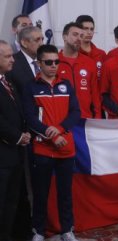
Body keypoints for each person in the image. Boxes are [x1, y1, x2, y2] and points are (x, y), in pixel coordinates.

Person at [23, 44, 81, 241]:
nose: (54, 65)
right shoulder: (31, 86)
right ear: (39, 64)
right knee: (41, 194)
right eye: (48, 62)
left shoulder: (66, 85)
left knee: (65, 193)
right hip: (43, 148)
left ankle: (67, 230)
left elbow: (75, 113)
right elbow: (30, 118)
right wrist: (52, 135)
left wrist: (61, 129)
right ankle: (39, 231)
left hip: (66, 148)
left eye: (57, 61)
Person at [4, 25, 43, 239]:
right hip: (17, 139)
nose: (40, 43)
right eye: (36, 39)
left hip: (38, 133)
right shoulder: (14, 68)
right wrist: (20, 134)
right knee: (18, 189)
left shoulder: (44, 61)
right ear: (25, 42)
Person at [0, 40, 31, 241]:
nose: (13, 59)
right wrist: (18, 136)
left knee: (13, 202)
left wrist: (25, 133)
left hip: (16, 155)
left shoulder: (7, 80)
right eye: (8, 56)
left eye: (12, 55)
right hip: (3, 155)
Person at [58, 22, 101, 119]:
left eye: (81, 36)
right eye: (75, 34)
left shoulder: (89, 63)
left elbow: (95, 96)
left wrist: (97, 118)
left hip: (85, 119)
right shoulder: (54, 62)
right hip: (61, 121)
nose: (79, 39)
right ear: (64, 37)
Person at [6, 26, 43, 96]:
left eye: (42, 39)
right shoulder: (12, 63)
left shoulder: (46, 61)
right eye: (37, 40)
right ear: (24, 43)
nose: (41, 44)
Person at [75, 15, 106, 79]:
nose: (89, 32)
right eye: (85, 29)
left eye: (91, 29)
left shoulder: (101, 54)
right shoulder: (73, 53)